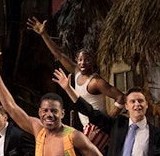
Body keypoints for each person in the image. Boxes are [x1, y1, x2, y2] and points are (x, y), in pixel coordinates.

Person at [26, 17, 123, 149]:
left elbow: (121, 96)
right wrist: (44, 34)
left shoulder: (96, 82)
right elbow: (59, 54)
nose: (83, 63)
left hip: (97, 128)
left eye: (87, 60)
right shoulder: (76, 72)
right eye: (80, 59)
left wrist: (107, 121)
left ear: (93, 62)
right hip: (86, 127)